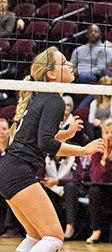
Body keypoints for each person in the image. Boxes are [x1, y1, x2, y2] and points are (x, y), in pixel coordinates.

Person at [0, 47, 105, 252]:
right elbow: (46, 144)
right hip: (18, 171)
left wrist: (66, 134)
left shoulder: (39, 96)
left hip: (8, 170)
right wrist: (84, 150)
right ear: (50, 73)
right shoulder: (54, 99)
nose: (70, 64)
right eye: (64, 62)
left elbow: (35, 139)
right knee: (54, 236)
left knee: (36, 236)